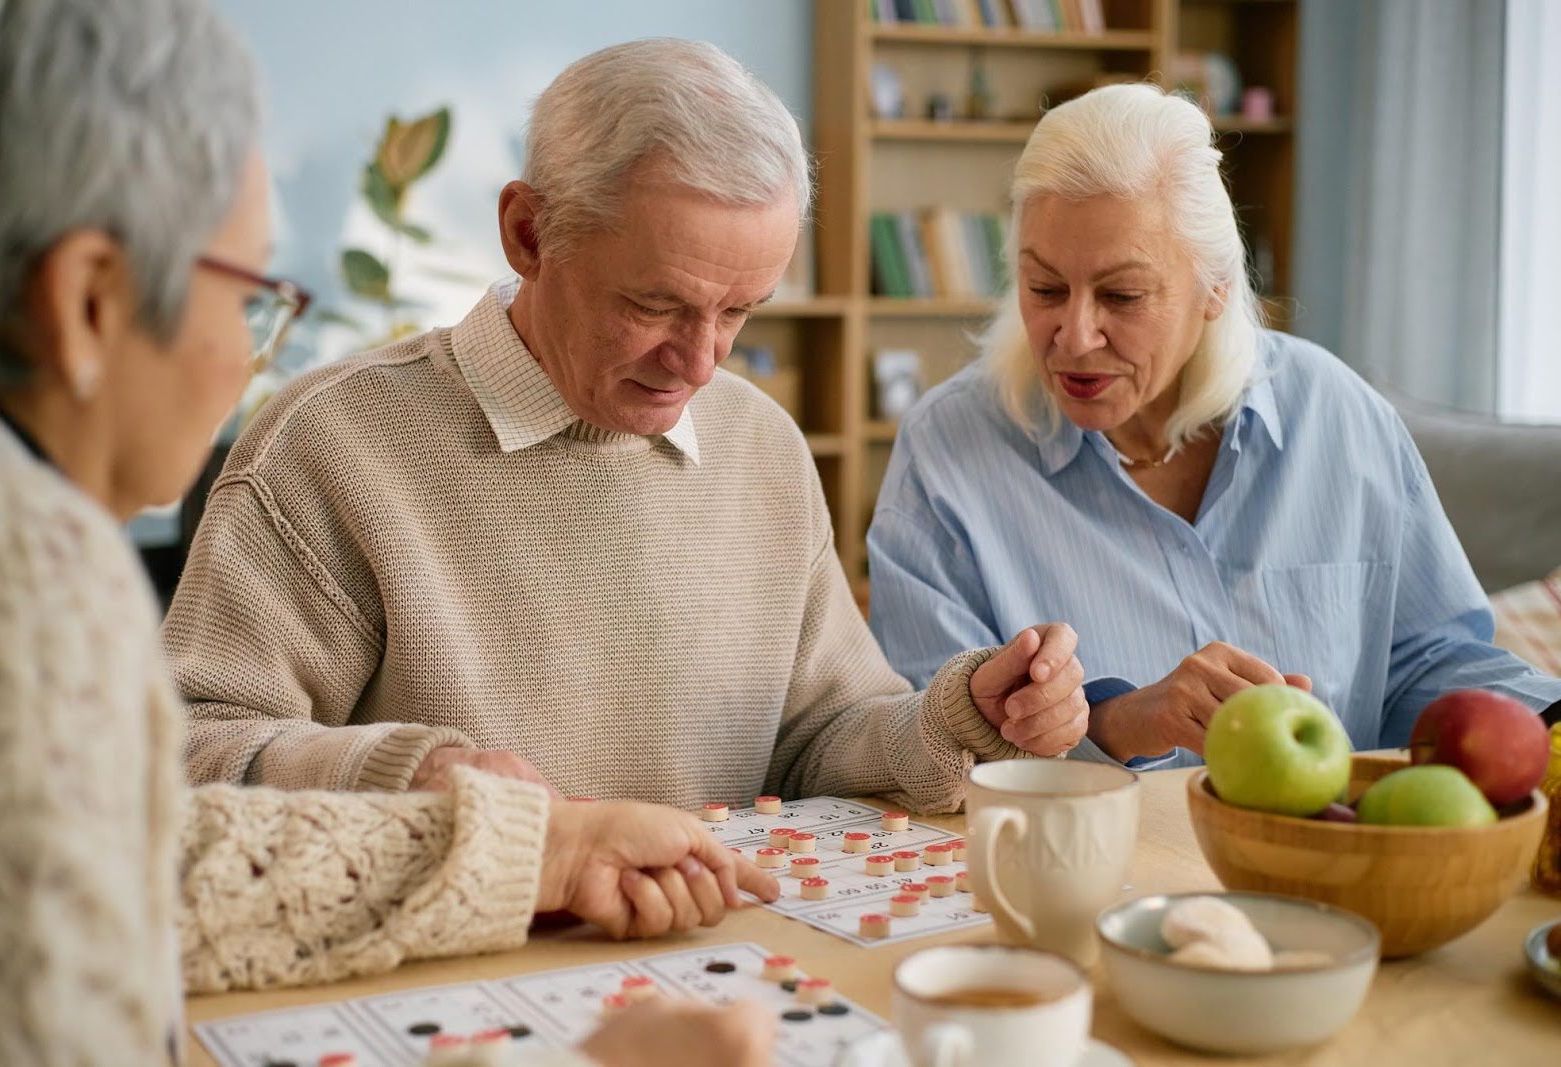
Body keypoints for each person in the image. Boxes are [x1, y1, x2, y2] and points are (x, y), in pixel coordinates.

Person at [0, 2, 777, 1063]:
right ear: (89, 301)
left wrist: (546, 850)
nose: (253, 355)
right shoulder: (17, 563)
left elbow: (151, 865)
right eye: (254, 294)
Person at [161, 38, 1091, 813]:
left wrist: (959, 714)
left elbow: (818, 737)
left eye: (740, 311)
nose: (700, 362)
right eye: (656, 304)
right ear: (528, 235)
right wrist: (422, 780)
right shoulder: (331, 445)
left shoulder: (760, 445)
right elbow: (186, 755)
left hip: (709, 973)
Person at [867, 83, 1561, 771]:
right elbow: (932, 744)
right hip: (1091, 874)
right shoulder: (947, 452)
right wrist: (1119, 722)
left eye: (1122, 295)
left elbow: (1430, 661)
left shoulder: (1337, 415)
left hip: (1329, 861)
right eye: (1045, 288)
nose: (1073, 336)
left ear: (1217, 287)